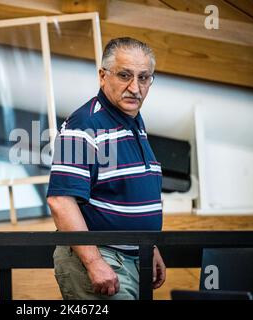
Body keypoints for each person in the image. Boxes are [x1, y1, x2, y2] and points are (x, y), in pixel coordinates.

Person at [47, 37, 166, 300]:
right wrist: (93, 262)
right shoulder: (84, 123)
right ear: (103, 76)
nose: (135, 87)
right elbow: (60, 201)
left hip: (134, 259)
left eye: (144, 78)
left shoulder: (133, 120)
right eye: (125, 75)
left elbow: (129, 195)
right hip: (104, 259)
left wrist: (148, 246)